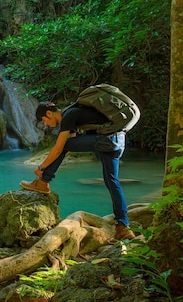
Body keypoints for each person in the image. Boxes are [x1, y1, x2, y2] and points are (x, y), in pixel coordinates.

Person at [20, 101, 135, 240]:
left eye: (44, 120)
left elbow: (59, 148)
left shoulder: (69, 115)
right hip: (118, 140)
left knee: (64, 145)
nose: (45, 124)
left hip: (107, 140)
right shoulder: (73, 116)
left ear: (49, 113)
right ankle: (123, 226)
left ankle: (43, 182)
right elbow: (66, 150)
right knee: (112, 181)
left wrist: (41, 168)